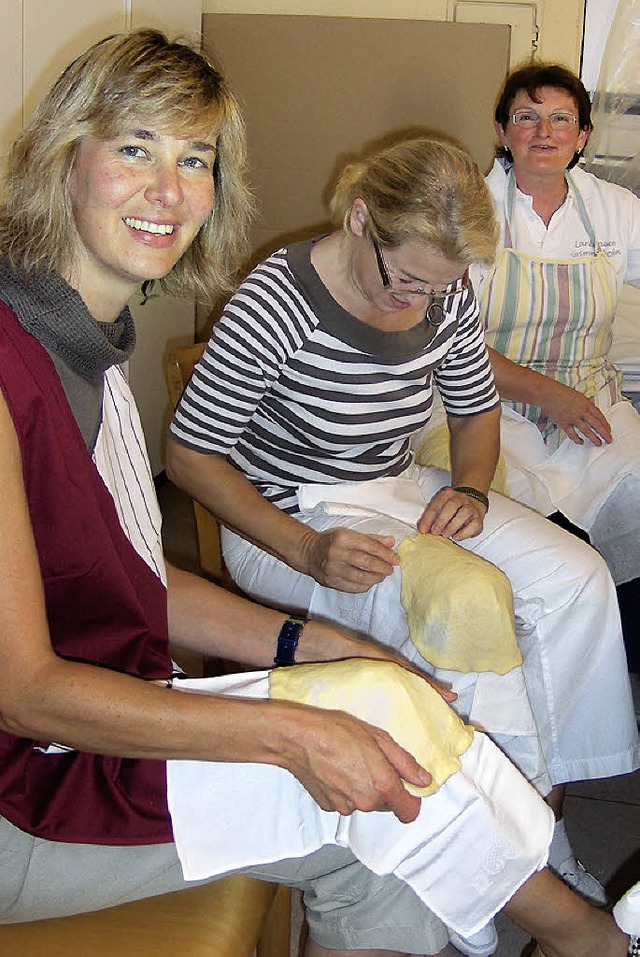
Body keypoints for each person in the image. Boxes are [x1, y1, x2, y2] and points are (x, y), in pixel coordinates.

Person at [1, 27, 634, 957]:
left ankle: (546, 872)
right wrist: (292, 726)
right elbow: (25, 695)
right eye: (134, 148)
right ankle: (583, 931)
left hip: (98, 712)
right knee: (381, 789)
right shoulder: (22, 366)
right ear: (63, 156)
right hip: (32, 783)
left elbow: (137, 582)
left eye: (195, 158)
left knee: (402, 707)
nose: (169, 189)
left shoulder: (90, 355)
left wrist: (326, 645)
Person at [167, 133, 639, 952]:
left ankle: (535, 833)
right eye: (409, 282)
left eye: (442, 287)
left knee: (576, 578)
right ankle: (500, 869)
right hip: (289, 513)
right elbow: (189, 455)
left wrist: (467, 482)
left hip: (392, 485)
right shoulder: (275, 299)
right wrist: (303, 550)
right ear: (360, 220)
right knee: (464, 608)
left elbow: (474, 404)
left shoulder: (442, 291)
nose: (422, 304)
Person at [469, 63, 640, 669]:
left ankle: (620, 665)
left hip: (594, 407)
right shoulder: (468, 210)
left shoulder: (616, 210)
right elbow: (445, 339)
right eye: (527, 117)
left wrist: (569, 400)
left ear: (584, 134)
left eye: (561, 118)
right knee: (529, 536)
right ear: (502, 130)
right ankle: (536, 670)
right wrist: (547, 395)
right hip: (488, 408)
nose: (544, 132)